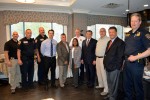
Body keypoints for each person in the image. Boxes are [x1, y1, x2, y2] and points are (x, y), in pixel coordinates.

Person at [123, 13, 150, 100]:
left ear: (140, 22)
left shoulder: (144, 33)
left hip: (137, 64)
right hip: (127, 63)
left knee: (137, 88)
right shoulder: (128, 34)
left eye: (135, 21)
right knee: (127, 85)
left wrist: (135, 57)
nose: (133, 23)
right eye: (132, 21)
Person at [103, 26, 125, 100]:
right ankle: (110, 94)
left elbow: (120, 56)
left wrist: (117, 67)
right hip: (107, 66)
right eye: (110, 32)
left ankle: (113, 97)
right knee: (109, 83)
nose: (111, 34)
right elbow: (107, 54)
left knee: (114, 84)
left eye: (112, 32)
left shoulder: (120, 42)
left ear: (116, 33)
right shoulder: (109, 42)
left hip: (114, 67)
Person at [95, 28, 109, 96]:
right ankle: (101, 84)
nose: (102, 32)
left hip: (103, 58)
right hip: (97, 58)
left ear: (105, 32)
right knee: (99, 73)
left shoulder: (108, 39)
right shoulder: (99, 39)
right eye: (100, 31)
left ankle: (106, 89)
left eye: (103, 31)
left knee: (104, 74)